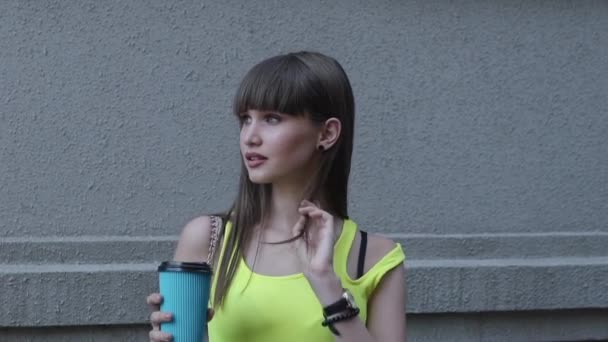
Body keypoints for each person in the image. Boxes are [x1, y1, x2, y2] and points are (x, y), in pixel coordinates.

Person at [146, 51, 406, 341]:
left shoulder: (374, 256)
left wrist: (327, 286)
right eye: (246, 119)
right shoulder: (209, 239)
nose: (250, 137)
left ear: (327, 133)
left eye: (272, 118)